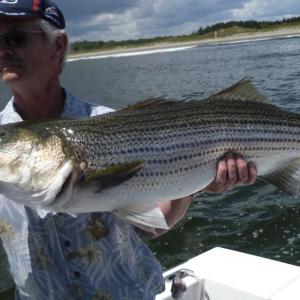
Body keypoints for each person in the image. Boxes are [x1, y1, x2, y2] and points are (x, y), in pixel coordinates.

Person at [0, 1, 257, 299]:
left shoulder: (111, 120)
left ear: (58, 46)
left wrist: (195, 174)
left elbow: (158, 223)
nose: (4, 50)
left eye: (15, 38)